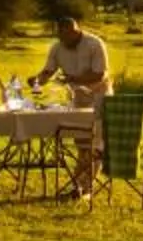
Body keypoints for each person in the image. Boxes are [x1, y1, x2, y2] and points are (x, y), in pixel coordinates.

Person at [31, 10, 112, 195]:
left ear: (77, 30)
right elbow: (48, 71)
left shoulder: (95, 44)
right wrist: (37, 80)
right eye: (63, 36)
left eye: (70, 35)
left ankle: (84, 187)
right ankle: (80, 186)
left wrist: (73, 79)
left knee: (95, 144)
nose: (67, 39)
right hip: (79, 100)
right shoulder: (57, 48)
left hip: (99, 97)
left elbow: (99, 74)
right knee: (82, 144)